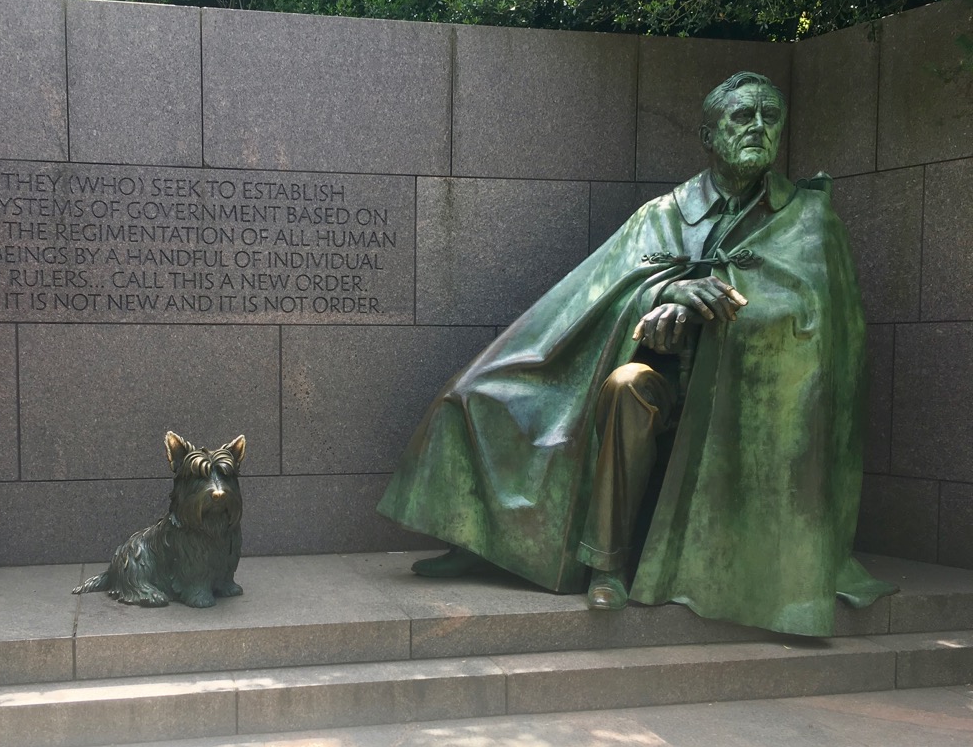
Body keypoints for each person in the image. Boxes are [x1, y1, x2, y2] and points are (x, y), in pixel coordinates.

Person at [377, 71, 894, 637]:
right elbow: (597, 293)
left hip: (739, 404)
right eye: (742, 117)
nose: (758, 128)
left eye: (770, 117)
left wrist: (714, 311)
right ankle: (559, 556)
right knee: (499, 393)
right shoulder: (662, 214)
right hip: (661, 380)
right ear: (709, 134)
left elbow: (821, 328)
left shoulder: (809, 219)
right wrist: (660, 295)